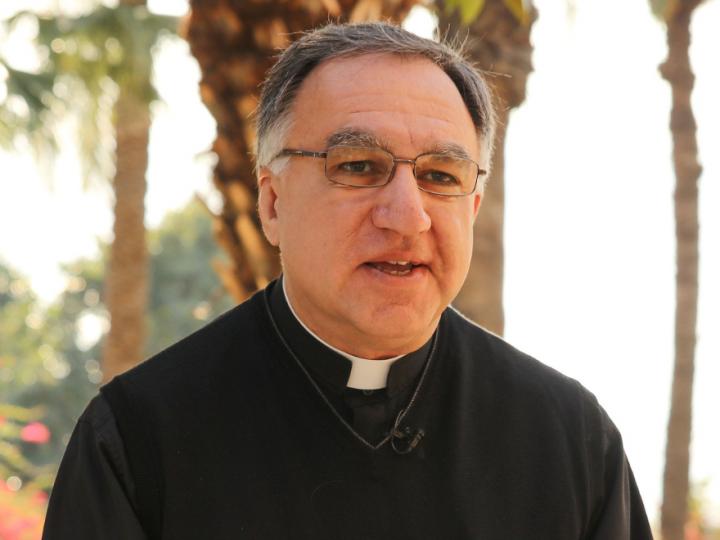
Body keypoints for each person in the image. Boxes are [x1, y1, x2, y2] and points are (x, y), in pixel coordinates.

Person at [43, 22, 653, 539]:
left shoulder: (569, 441)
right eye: (358, 167)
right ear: (274, 202)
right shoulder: (138, 437)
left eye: (441, 176)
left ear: (472, 206)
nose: (408, 216)